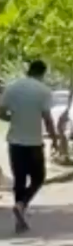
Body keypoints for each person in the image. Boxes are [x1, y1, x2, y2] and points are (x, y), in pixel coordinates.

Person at [0, 60, 59, 234]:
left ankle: (20, 215)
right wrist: (55, 139)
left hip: (15, 141)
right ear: (42, 73)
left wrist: (12, 119)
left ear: (28, 70)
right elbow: (47, 119)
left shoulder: (12, 88)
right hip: (34, 142)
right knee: (39, 177)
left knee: (19, 179)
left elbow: (1, 111)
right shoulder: (43, 91)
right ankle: (22, 205)